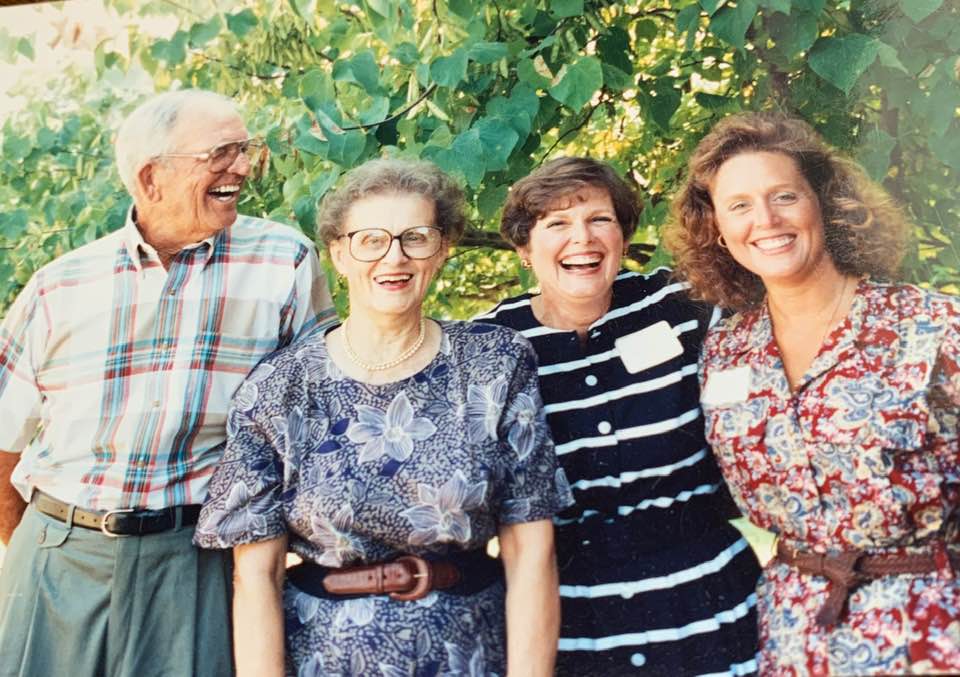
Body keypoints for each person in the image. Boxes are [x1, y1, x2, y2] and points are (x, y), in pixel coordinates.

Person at [0, 89, 334, 677]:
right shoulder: (60, 287)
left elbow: (318, 424)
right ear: (150, 177)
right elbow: (3, 442)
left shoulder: (284, 262)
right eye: (221, 153)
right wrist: (44, 547)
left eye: (245, 149)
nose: (243, 167)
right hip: (59, 558)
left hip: (195, 558)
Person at [194, 157, 567, 676]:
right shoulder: (279, 387)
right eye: (370, 240)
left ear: (442, 249)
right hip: (325, 658)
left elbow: (531, 552)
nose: (395, 257)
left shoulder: (494, 364)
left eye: (416, 238)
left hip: (470, 653)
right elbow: (256, 576)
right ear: (338, 254)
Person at [666, 110, 960, 675]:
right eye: (739, 206)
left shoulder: (932, 326)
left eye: (784, 196)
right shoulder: (726, 350)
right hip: (792, 637)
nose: (766, 220)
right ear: (718, 230)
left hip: (929, 632)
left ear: (823, 202)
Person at [478, 157, 760, 675]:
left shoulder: (683, 305)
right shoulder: (489, 348)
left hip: (709, 607)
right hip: (571, 624)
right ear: (524, 249)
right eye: (557, 223)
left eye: (599, 219)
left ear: (624, 236)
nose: (582, 239)